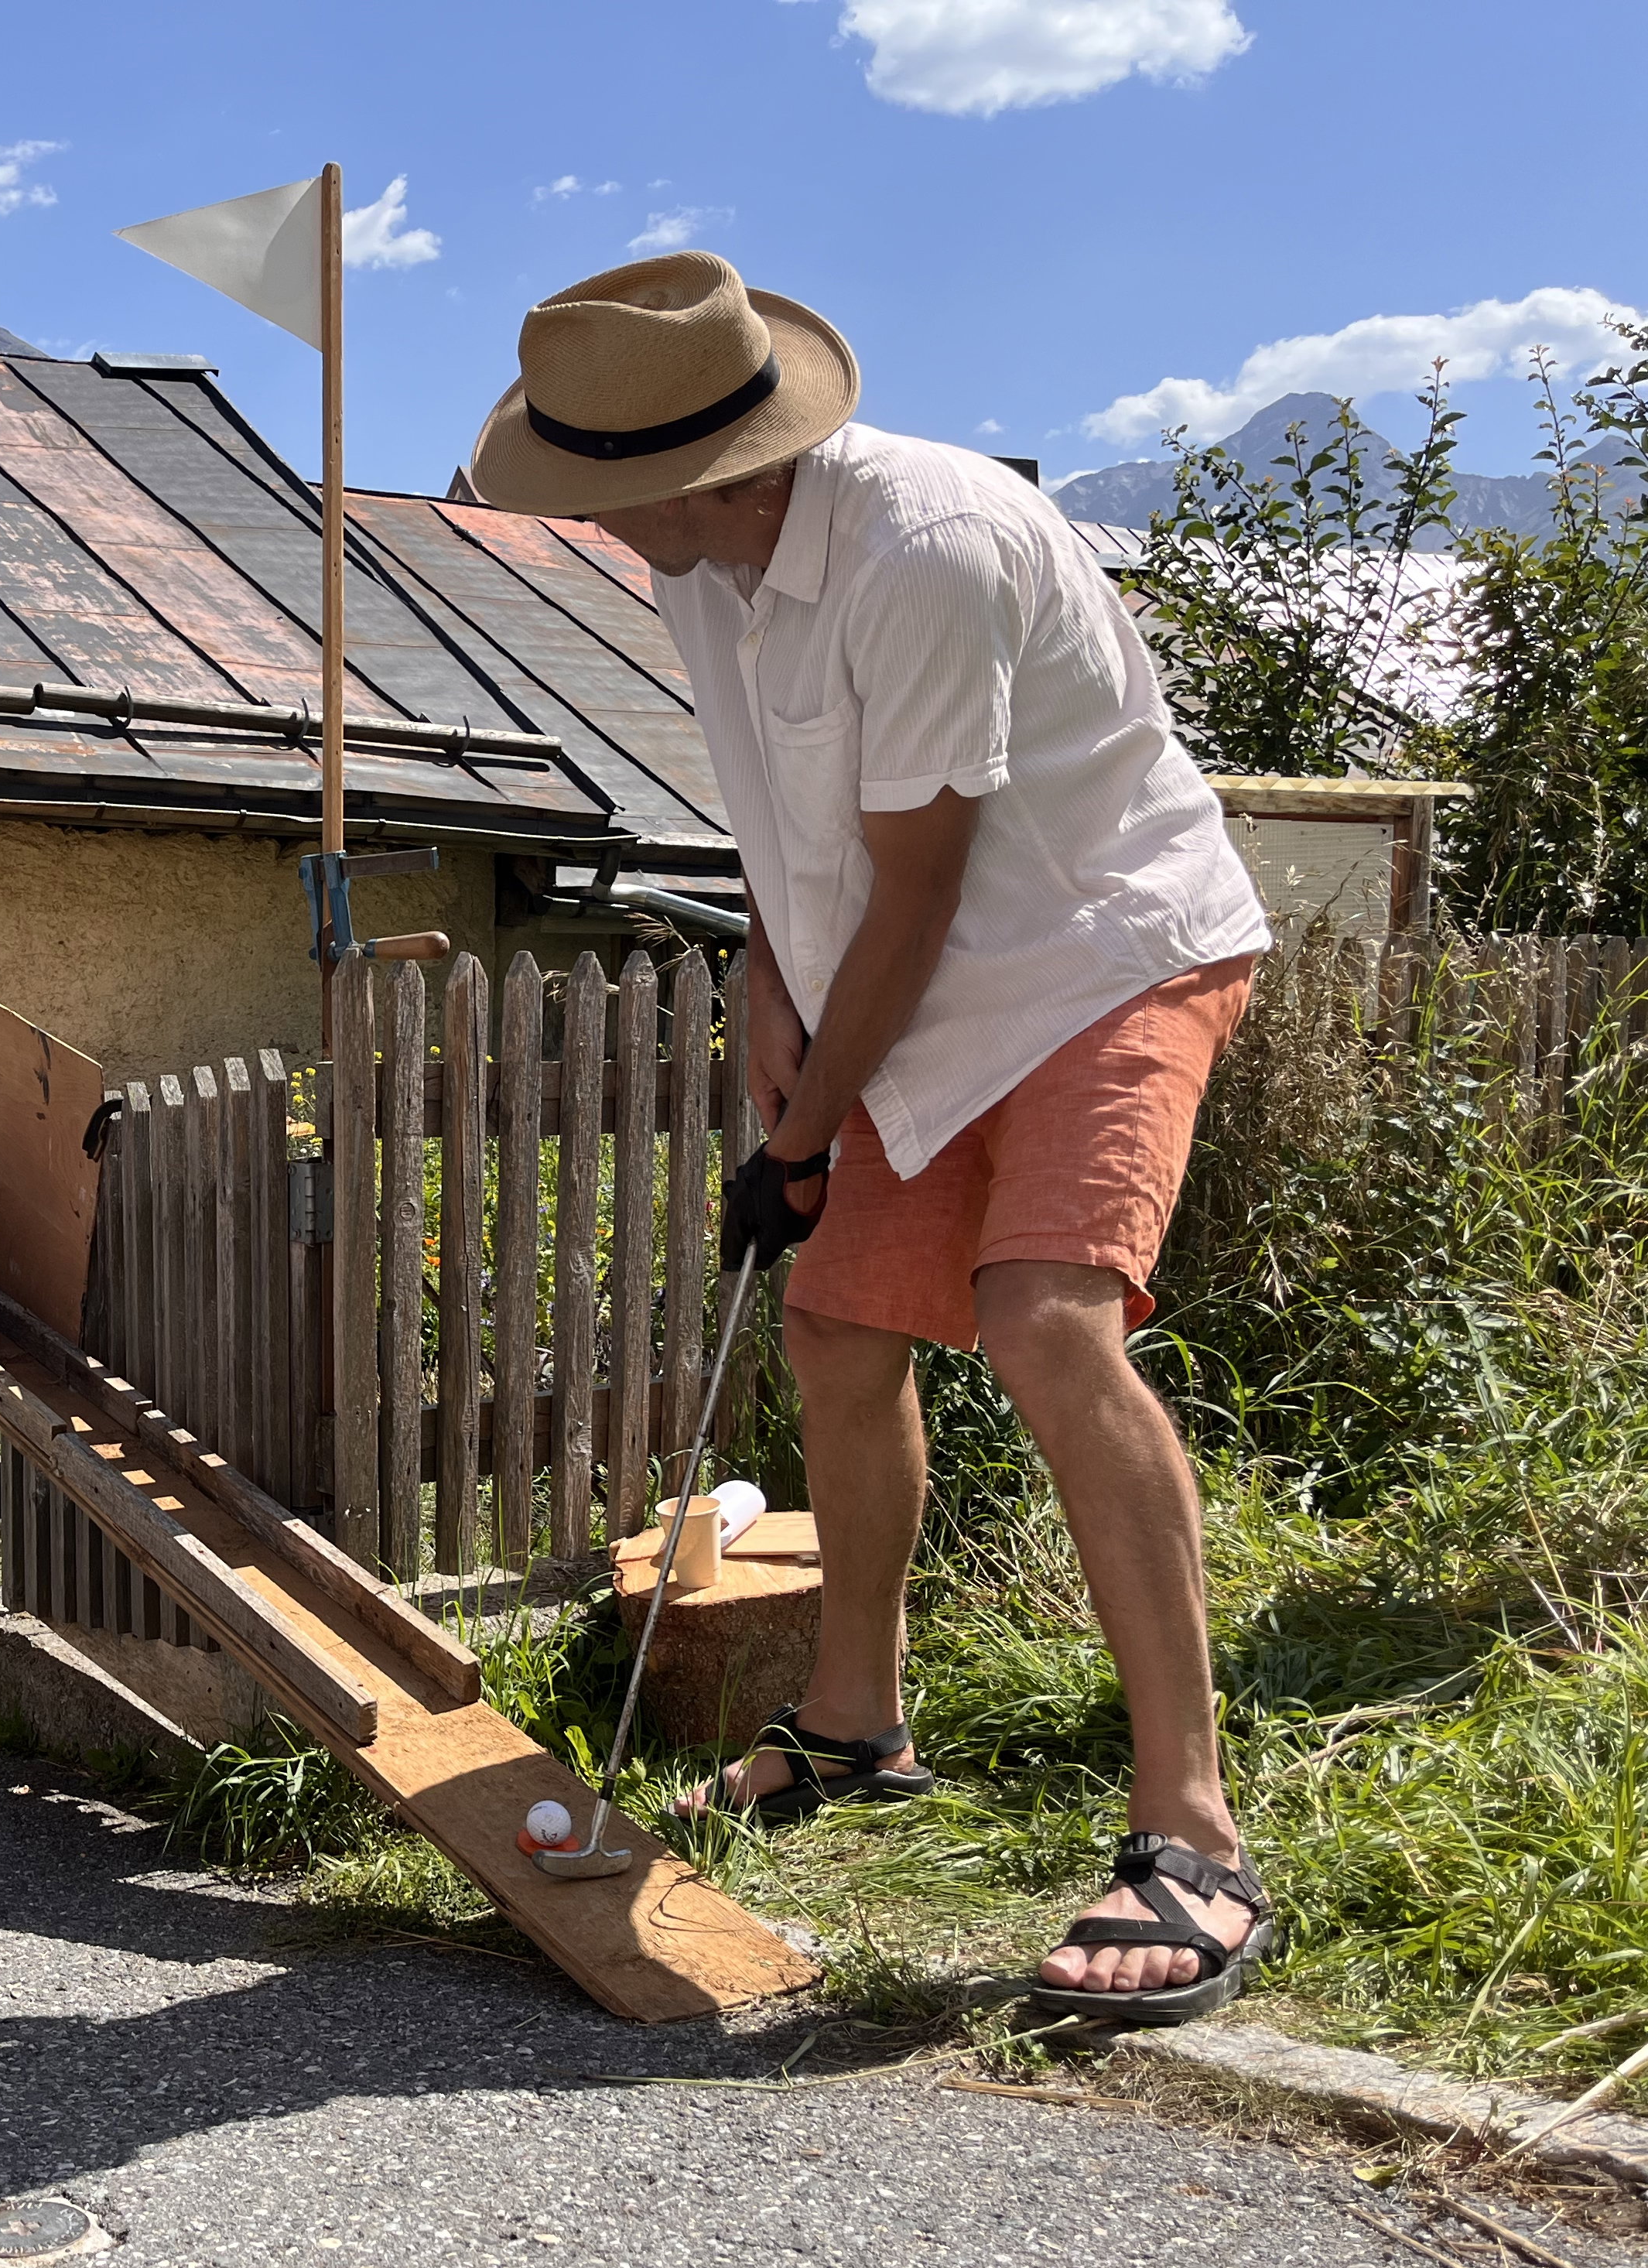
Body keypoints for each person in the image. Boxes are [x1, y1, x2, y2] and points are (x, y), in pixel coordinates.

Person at [468, 251, 1277, 2027]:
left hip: (1100, 955)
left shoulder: (928, 549)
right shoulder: (698, 566)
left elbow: (920, 887)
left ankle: (1195, 1832)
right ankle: (854, 1727)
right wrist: (770, 975)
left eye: (604, 491)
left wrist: (805, 1135)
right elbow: (792, 822)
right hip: (906, 983)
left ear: (709, 469)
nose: (588, 522)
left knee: (1047, 1321)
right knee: (837, 1326)